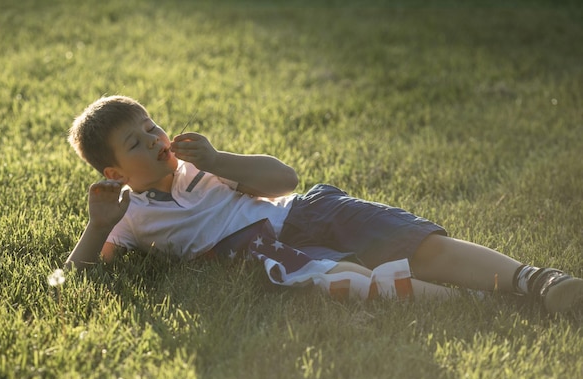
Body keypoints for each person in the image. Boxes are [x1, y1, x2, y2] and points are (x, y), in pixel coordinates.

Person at [64, 95, 583, 313]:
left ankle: (535, 280)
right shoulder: (128, 215)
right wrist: (96, 228)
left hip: (303, 210)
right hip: (266, 255)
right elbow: (74, 276)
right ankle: (485, 306)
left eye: (151, 126)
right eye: (136, 142)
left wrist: (221, 159)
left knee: (417, 243)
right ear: (113, 172)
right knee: (363, 282)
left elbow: (284, 178)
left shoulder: (200, 162)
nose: (154, 139)